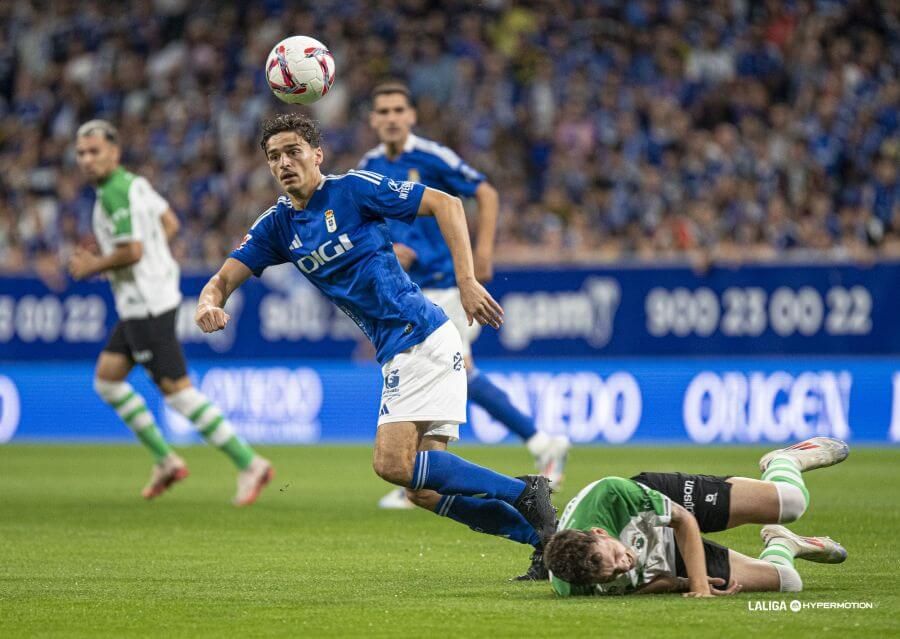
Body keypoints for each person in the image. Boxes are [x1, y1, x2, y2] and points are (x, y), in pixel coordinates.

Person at [194, 113, 558, 546]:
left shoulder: (351, 190)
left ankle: (525, 492)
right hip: (402, 347)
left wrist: (466, 281)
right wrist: (207, 303)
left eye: (293, 151)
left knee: (391, 463)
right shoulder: (277, 227)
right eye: (274, 157)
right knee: (422, 490)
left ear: (317, 154)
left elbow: (448, 204)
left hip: (419, 335)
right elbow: (222, 280)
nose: (284, 162)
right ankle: (546, 542)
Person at [359, 81, 570, 510]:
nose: (391, 117)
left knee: (449, 366)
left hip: (447, 285)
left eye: (399, 109)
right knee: (451, 371)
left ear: (412, 116)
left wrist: (482, 254)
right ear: (372, 120)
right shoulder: (368, 165)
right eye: (383, 111)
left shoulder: (431, 156)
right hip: (408, 291)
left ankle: (531, 446)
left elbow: (485, 193)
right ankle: (535, 444)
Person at [68, 120, 273, 505]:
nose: (87, 160)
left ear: (114, 152)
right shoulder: (137, 185)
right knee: (108, 380)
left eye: (94, 151)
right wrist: (154, 263)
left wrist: (92, 266)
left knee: (178, 393)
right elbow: (170, 224)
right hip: (148, 298)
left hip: (145, 304)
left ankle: (250, 463)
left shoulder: (114, 193)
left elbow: (132, 251)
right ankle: (165, 460)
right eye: (81, 153)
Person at [543, 437, 849, 596]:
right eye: (612, 575)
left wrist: (701, 586)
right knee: (787, 582)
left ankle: (784, 460)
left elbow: (682, 520)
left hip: (659, 506)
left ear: (599, 533)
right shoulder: (574, 579)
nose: (624, 565)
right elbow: (638, 584)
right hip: (660, 552)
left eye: (617, 558)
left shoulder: (612, 494)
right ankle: (784, 543)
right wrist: (683, 582)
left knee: (791, 503)